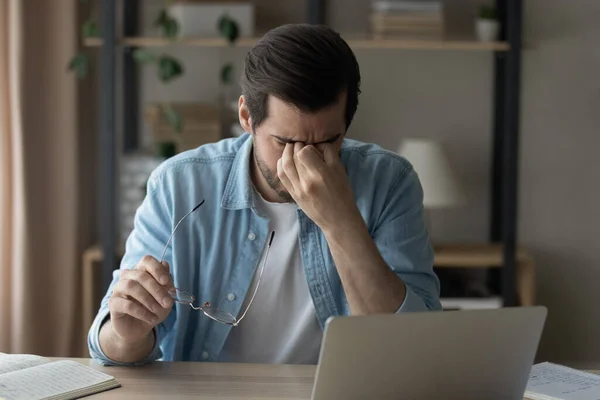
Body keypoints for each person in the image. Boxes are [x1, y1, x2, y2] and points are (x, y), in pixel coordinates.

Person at [88, 23, 441, 366]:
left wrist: (340, 220)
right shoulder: (180, 184)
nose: (302, 161)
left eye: (327, 142)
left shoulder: (390, 182)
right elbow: (111, 345)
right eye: (285, 142)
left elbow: (409, 348)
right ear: (246, 116)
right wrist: (127, 336)